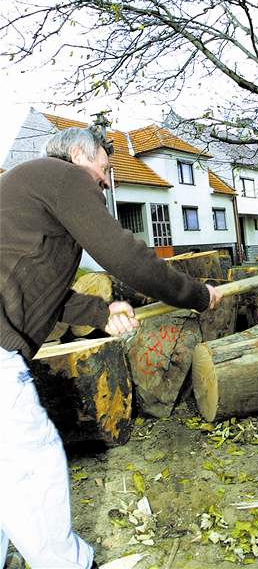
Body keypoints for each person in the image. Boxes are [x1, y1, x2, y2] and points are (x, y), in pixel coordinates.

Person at [0, 127, 222, 569]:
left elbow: (48, 292)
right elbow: (122, 254)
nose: (105, 180)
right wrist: (196, 294)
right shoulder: (65, 176)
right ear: (81, 154)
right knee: (31, 465)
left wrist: (101, 312)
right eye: (104, 166)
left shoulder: (27, 191)